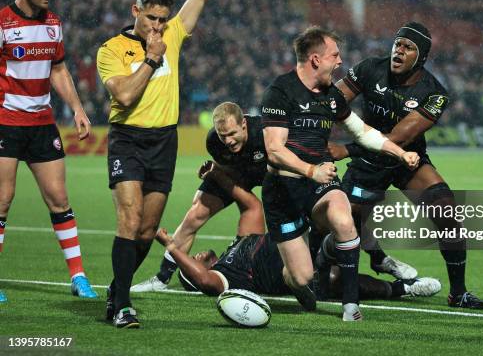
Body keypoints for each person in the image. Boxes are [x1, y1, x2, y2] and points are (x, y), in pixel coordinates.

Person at [261, 26, 421, 321]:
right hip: (283, 190)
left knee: (344, 218)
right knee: (301, 277)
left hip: (321, 184)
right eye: (334, 55)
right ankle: (297, 277)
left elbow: (361, 132)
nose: (339, 62)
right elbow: (274, 150)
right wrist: (311, 170)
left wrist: (400, 152)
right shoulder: (280, 92)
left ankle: (350, 306)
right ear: (315, 59)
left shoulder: (331, 96)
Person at [330, 22, 483, 310]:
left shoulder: (434, 93)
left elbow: (398, 139)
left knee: (446, 210)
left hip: (406, 159)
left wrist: (346, 149)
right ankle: (379, 258)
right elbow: (333, 99)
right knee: (344, 223)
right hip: (368, 161)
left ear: (422, 57)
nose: (399, 51)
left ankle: (458, 293)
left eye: (408, 48)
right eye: (397, 44)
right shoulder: (370, 68)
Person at [96, 0, 217, 329]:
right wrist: (150, 58)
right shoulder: (112, 50)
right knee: (129, 220)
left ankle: (118, 288)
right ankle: (123, 306)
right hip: (128, 140)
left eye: (164, 20)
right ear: (135, 12)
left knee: (147, 231)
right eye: (152, 18)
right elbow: (126, 96)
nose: (159, 27)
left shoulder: (173, 35)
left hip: (164, 141)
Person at [154, 164, 441, 301]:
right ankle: (403, 289)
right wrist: (173, 248)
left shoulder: (236, 247)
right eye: (193, 263)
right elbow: (203, 278)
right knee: (332, 279)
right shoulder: (224, 279)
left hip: (298, 234)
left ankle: (379, 258)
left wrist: (216, 174)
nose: (199, 255)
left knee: (348, 211)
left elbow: (252, 205)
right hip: (299, 274)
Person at [0, 0, 97, 303]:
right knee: (2, 201)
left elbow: (58, 70)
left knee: (59, 200)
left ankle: (79, 277)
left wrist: (77, 108)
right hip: (6, 123)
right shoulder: (3, 23)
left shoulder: (53, 23)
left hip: (42, 124)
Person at [130, 101, 267, 292]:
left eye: (232, 134)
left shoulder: (265, 131)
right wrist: (215, 170)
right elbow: (230, 167)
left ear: (243, 124)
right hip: (237, 175)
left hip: (271, 176)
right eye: (223, 135)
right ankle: (162, 278)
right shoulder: (213, 141)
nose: (228, 141)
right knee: (195, 213)